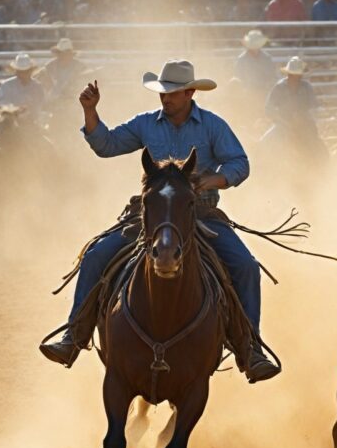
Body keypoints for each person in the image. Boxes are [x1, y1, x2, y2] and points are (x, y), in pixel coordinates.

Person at [40, 60, 280, 381]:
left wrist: (210, 181)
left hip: (201, 215)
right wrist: (90, 112)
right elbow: (107, 145)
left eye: (173, 93)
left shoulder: (212, 126)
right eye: (163, 93)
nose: (165, 99)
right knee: (96, 255)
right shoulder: (146, 124)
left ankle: (250, 348)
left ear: (190, 93)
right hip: (150, 218)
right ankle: (74, 336)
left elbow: (239, 164)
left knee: (246, 267)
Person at [262, 56, 328, 159]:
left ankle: (321, 164)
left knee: (317, 144)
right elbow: (268, 108)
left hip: (304, 123)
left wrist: (307, 118)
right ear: (288, 74)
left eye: (298, 75)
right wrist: (280, 120)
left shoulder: (307, 87)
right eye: (293, 75)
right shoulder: (279, 87)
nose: (296, 77)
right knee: (266, 142)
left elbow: (314, 107)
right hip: (284, 123)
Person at [39, 38, 87, 106]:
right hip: (54, 101)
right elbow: (43, 84)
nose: (65, 56)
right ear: (58, 54)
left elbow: (84, 84)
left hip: (74, 101)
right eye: (63, 54)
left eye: (67, 54)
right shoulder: (49, 67)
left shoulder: (80, 67)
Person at [233, 30, 278, 99]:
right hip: (248, 93)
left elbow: (272, 76)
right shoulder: (242, 59)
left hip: (264, 92)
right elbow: (239, 78)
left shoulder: (266, 58)